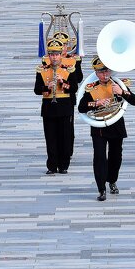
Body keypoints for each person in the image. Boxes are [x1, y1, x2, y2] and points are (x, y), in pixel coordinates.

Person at [79, 58, 135, 201]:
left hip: (116, 124)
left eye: (107, 70)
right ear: (96, 73)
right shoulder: (91, 88)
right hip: (99, 127)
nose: (105, 74)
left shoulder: (119, 84)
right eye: (101, 72)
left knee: (116, 156)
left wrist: (123, 92)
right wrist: (96, 103)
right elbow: (81, 107)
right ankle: (101, 189)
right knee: (99, 157)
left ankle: (112, 180)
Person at [36, 40, 81, 175]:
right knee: (50, 138)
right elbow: (37, 89)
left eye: (56, 55)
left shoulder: (68, 70)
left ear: (61, 55)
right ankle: (52, 165)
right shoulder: (42, 70)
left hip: (64, 107)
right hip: (49, 107)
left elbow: (74, 88)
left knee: (65, 137)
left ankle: (63, 165)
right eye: (52, 55)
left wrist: (63, 82)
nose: (54, 57)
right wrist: (47, 87)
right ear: (49, 56)